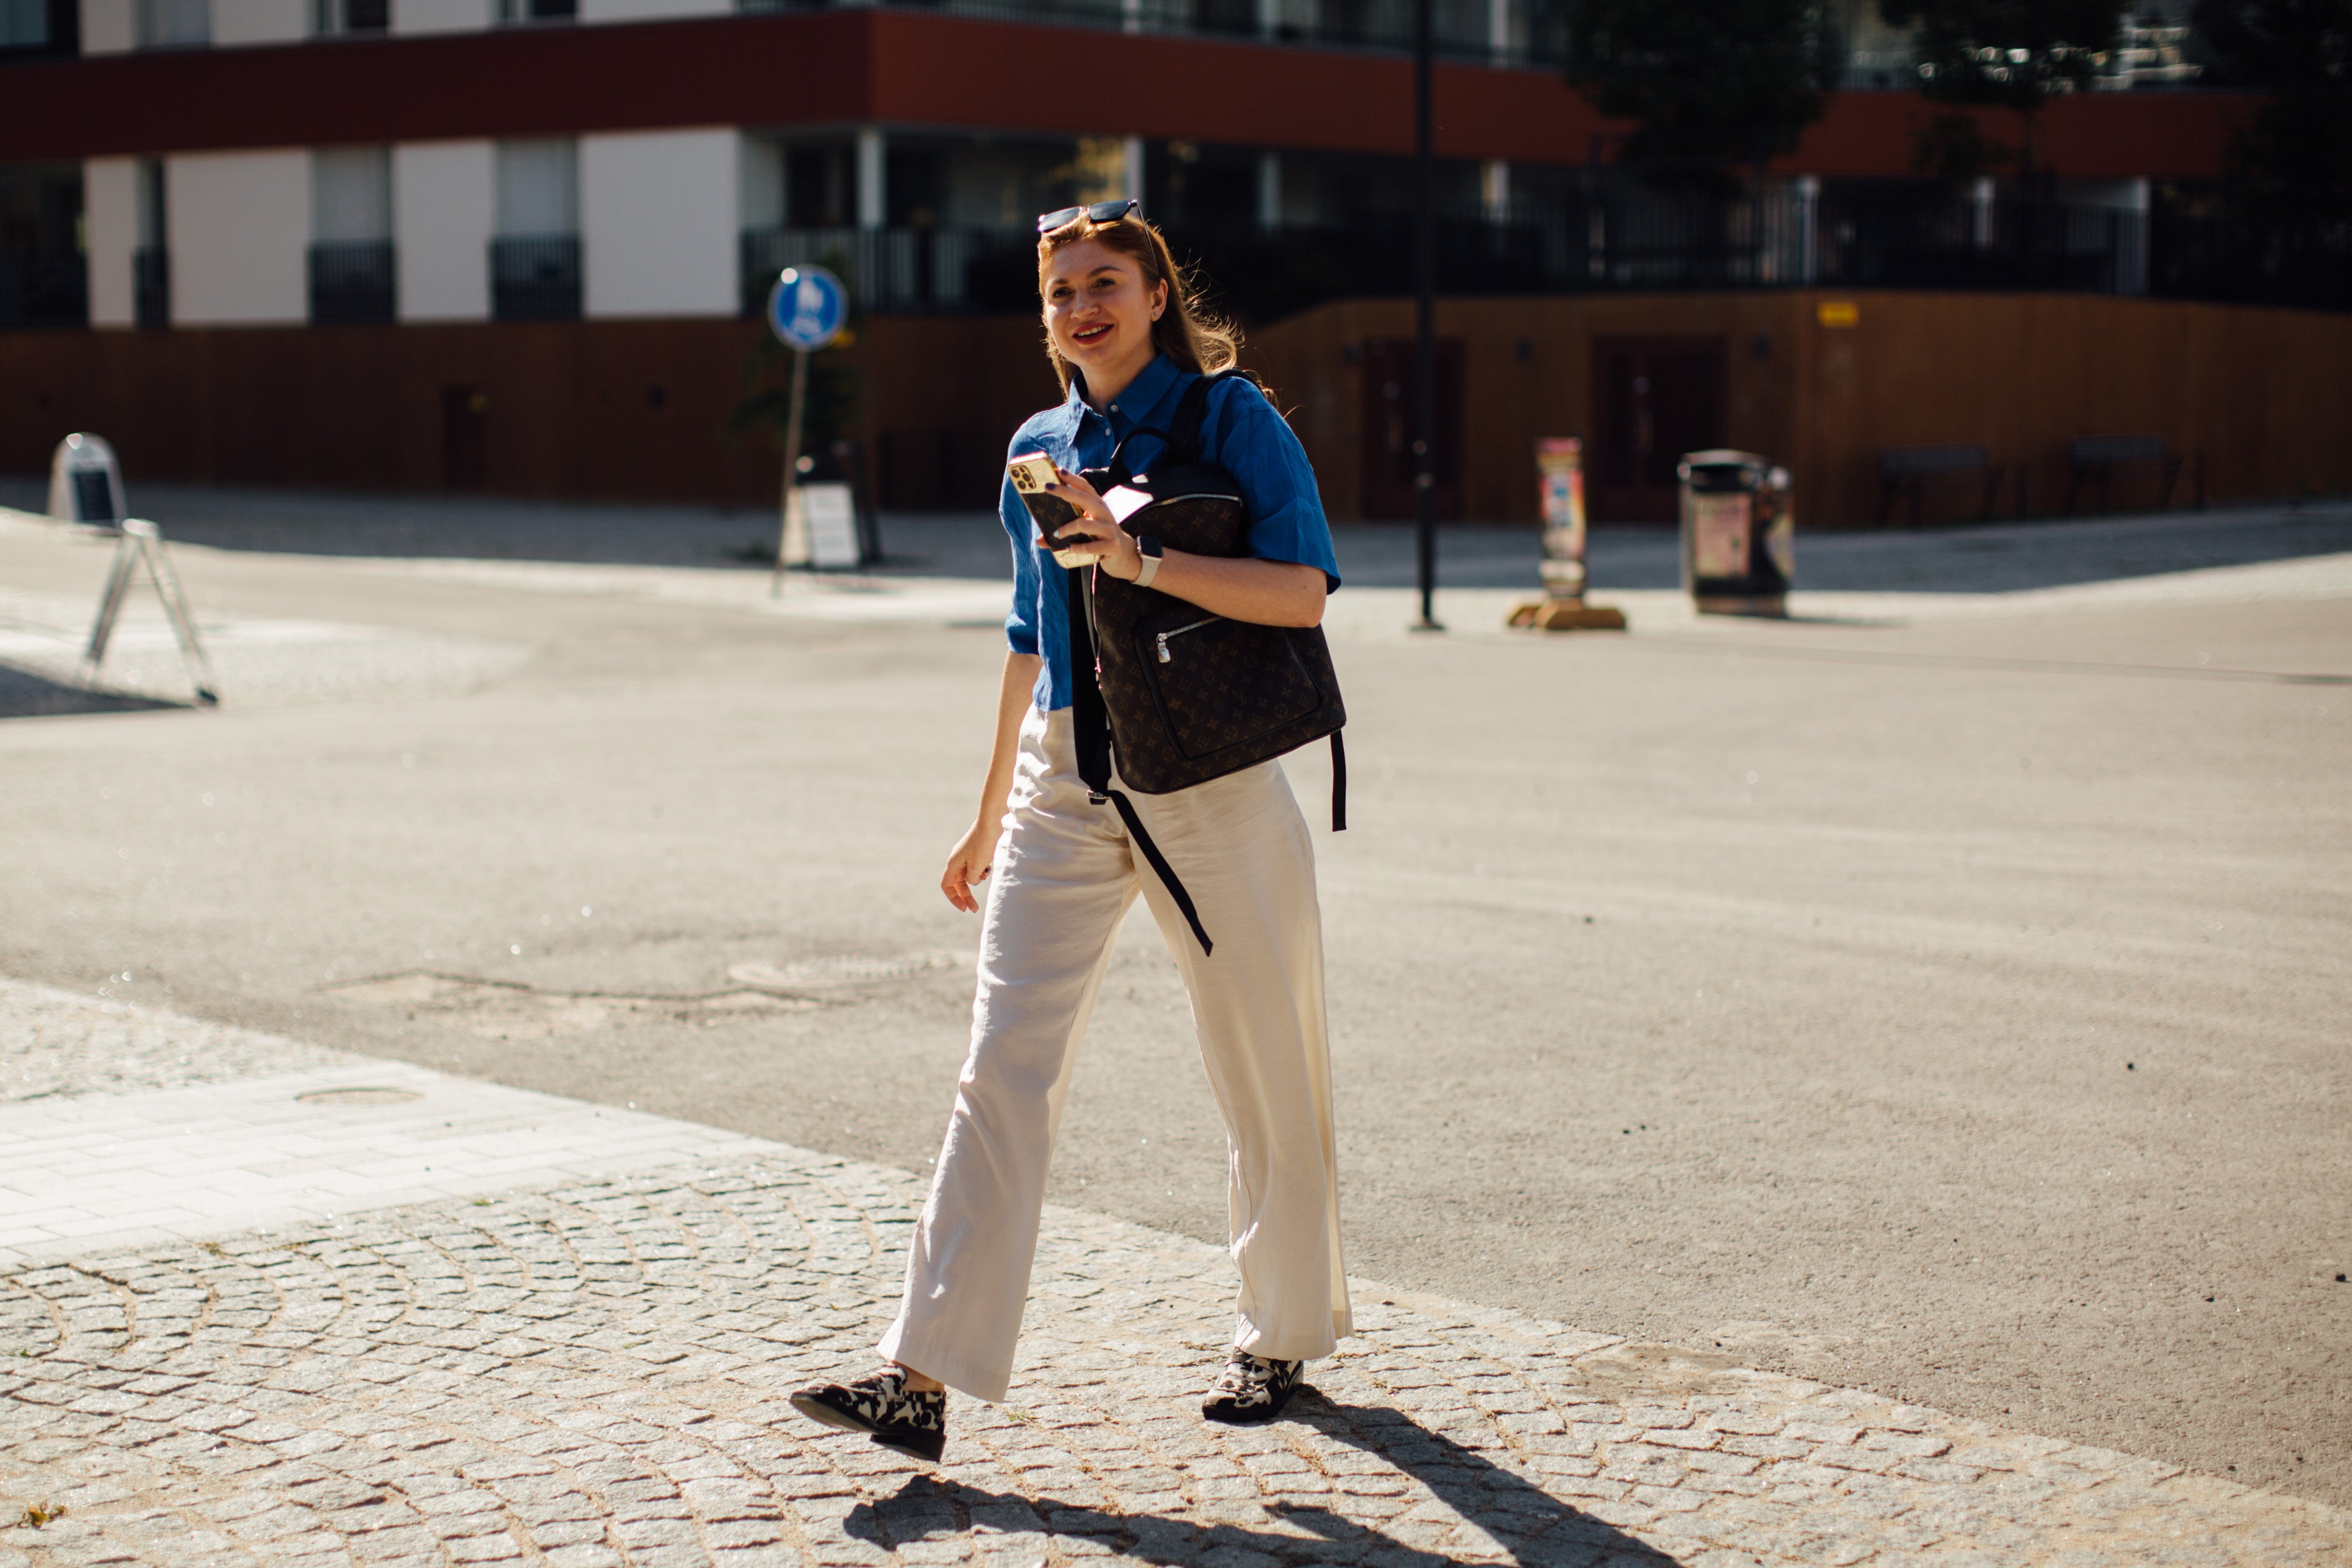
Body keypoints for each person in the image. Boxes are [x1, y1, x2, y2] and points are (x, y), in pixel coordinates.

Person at [789, 199, 1349, 1465]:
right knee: (1000, 1065)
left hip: (1204, 779)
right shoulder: (1034, 444)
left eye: (1106, 281)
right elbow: (1030, 638)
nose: (1081, 306)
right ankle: (918, 1374)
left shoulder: (1229, 418)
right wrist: (986, 811)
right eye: (1059, 291)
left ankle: (1282, 1332)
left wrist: (1138, 558)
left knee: (1265, 1059)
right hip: (1064, 783)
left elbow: (1302, 591)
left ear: (1157, 295)